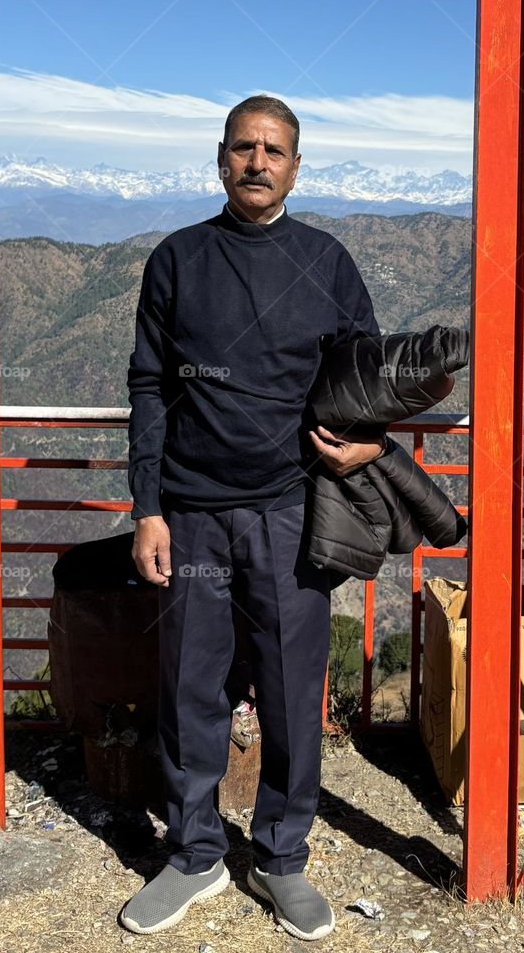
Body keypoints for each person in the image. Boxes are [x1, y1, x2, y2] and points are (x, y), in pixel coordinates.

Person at [118, 95, 384, 939]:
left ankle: (281, 858)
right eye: (244, 147)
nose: (257, 162)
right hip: (192, 512)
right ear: (221, 158)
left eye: (274, 150)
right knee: (189, 687)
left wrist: (369, 443)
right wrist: (148, 507)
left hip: (292, 510)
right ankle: (194, 853)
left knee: (292, 691)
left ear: (295, 168)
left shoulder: (326, 261)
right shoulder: (179, 258)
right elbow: (150, 385)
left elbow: (367, 371)